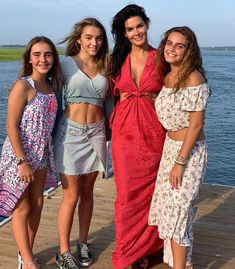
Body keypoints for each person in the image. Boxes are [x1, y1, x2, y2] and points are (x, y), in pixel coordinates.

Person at [148, 26, 210, 269]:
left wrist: (180, 162)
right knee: (170, 210)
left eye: (179, 45)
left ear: (188, 51)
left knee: (179, 213)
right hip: (169, 148)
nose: (172, 49)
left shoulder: (194, 78)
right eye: (169, 43)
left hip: (189, 152)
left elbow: (196, 126)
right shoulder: (167, 77)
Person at [109, 4, 166, 269]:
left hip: (154, 131)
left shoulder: (162, 57)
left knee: (153, 193)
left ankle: (147, 248)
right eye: (129, 29)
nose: (136, 33)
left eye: (139, 26)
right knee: (127, 195)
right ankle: (128, 250)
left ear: (147, 24)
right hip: (123, 133)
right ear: (124, 33)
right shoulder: (116, 58)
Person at [53, 18, 110, 269]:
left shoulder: (108, 64)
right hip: (70, 134)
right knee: (71, 195)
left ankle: (83, 243)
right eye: (88, 37)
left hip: (97, 133)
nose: (93, 42)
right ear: (79, 39)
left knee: (87, 193)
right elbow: (48, 93)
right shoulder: (65, 64)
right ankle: (63, 251)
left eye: (98, 38)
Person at [0, 36, 61, 269]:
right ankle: (28, 261)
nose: (43, 59)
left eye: (48, 54)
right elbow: (11, 126)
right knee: (22, 207)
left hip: (43, 154)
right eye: (37, 54)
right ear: (29, 58)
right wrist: (22, 160)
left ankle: (25, 252)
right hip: (20, 155)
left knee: (37, 204)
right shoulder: (23, 85)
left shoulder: (51, 86)